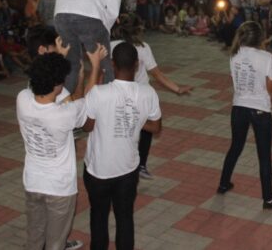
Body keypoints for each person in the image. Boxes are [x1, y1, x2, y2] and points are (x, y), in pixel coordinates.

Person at [17, 47, 105, 250]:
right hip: (59, 188)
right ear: (58, 84)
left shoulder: (22, 99)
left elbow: (41, 81)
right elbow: (88, 101)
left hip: (32, 182)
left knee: (34, 237)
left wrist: (55, 59)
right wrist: (95, 66)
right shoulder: (64, 114)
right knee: (55, 243)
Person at [82, 42, 162, 250]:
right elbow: (155, 127)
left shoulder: (99, 93)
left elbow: (87, 126)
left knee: (98, 218)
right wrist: (134, 117)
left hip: (98, 169)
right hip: (128, 169)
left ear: (112, 64)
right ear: (136, 65)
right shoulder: (148, 93)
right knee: (125, 218)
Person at [110, 14, 191, 179]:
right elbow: (157, 74)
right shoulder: (143, 47)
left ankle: (120, 162)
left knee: (120, 128)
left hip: (118, 94)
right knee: (147, 129)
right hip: (142, 96)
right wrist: (178, 89)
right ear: (138, 29)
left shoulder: (111, 46)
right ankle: (141, 165)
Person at [218, 21, 272, 210]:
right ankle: (268, 199)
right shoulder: (266, 57)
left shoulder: (234, 54)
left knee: (235, 147)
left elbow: (233, 79)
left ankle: (223, 183)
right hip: (260, 110)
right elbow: (270, 86)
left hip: (238, 107)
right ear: (260, 37)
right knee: (264, 155)